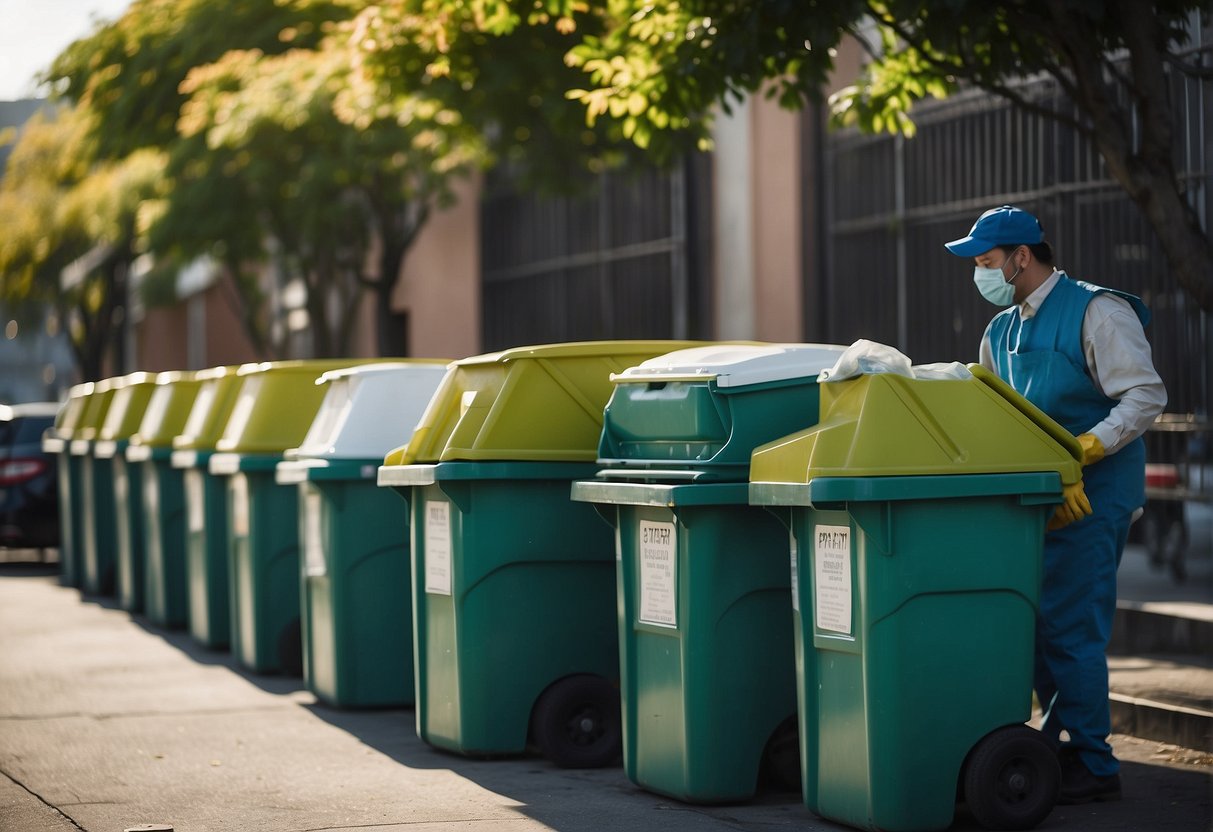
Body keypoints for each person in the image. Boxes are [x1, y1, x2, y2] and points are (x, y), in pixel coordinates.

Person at [945, 205, 1167, 804]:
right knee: (1031, 624)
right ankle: (1061, 741)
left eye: (987, 262)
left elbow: (1145, 394)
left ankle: (1095, 764)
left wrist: (1087, 447)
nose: (981, 273)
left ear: (1023, 256)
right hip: (1035, 499)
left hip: (1094, 497)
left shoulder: (1098, 311)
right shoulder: (1001, 330)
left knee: (1071, 627)